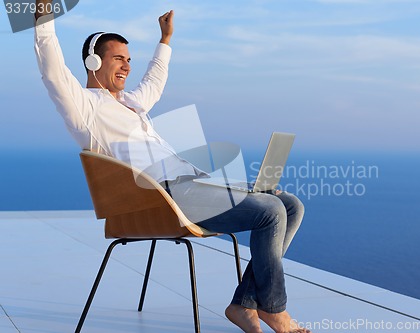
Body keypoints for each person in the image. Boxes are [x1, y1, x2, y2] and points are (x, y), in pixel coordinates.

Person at [34, 1, 310, 332]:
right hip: (164, 198)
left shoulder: (132, 104)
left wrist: (165, 39)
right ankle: (274, 309)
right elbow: (52, 70)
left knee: (290, 205)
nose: (126, 66)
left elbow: (154, 82)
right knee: (270, 211)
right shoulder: (86, 109)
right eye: (118, 58)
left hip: (193, 185)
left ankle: (245, 305)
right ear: (93, 61)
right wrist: (42, 19)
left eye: (128, 60)